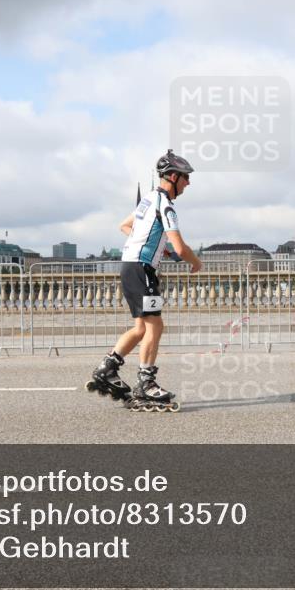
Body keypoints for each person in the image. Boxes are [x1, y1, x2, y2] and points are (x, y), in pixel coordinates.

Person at [85, 149, 202, 412]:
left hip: (130, 266)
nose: (188, 183)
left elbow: (125, 226)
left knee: (141, 328)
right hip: (143, 269)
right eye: (185, 177)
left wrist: (156, 247)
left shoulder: (148, 200)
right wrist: (196, 262)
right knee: (155, 326)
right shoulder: (166, 206)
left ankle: (107, 369)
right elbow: (181, 248)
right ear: (173, 177)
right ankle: (146, 384)